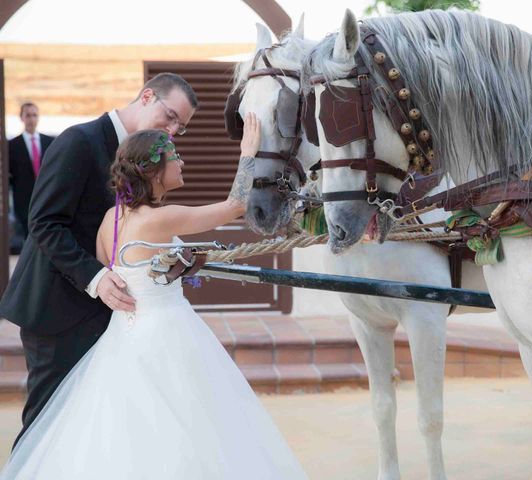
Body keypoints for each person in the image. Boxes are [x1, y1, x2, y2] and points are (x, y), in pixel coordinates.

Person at [0, 117, 307, 479]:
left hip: (123, 336)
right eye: (174, 155)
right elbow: (236, 205)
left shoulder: (111, 219)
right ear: (155, 171)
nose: (182, 162)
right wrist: (247, 153)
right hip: (166, 332)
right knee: (191, 421)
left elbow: (118, 272)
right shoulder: (158, 219)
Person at [0, 73, 198, 447]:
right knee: (47, 427)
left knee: (89, 432)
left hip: (108, 317)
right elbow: (44, 223)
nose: (172, 130)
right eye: (170, 116)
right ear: (147, 96)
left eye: (180, 127)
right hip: (54, 311)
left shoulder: (144, 154)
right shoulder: (79, 141)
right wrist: (96, 278)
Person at [8, 102, 55, 249]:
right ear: (21, 118)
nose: (31, 119)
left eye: (34, 115)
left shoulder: (49, 142)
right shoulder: (12, 145)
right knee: (28, 238)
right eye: (27, 115)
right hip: (23, 200)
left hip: (46, 197)